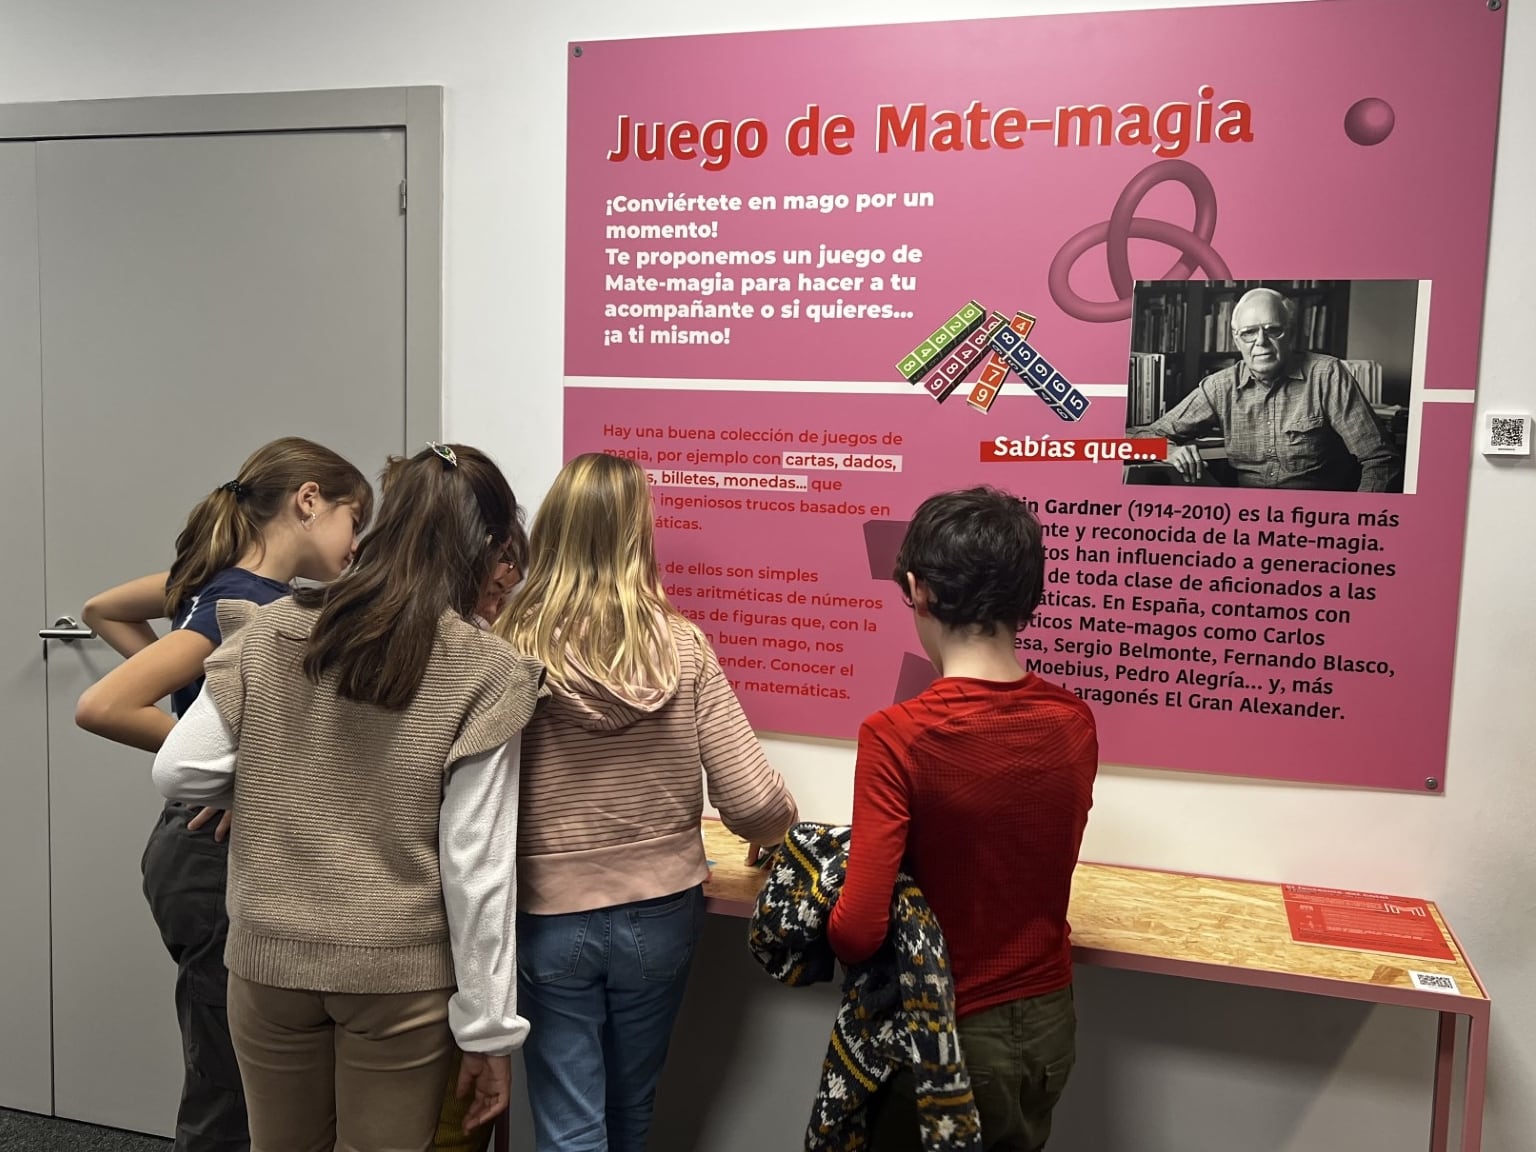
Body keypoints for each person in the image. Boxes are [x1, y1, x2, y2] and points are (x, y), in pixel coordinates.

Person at [152, 443, 544, 1152]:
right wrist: (489, 1033)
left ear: (386, 524)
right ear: (485, 547)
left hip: (268, 959)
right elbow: (476, 864)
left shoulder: (272, 628)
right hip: (395, 975)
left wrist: (272, 779)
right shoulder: (486, 669)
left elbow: (180, 770)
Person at [76, 436, 372, 1152]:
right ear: (308, 501)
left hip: (197, 850)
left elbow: (101, 609)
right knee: (231, 1087)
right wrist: (239, 768)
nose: (357, 543)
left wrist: (189, 695)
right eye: (353, 520)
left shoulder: (215, 584)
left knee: (241, 1072)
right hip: (208, 850)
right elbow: (103, 706)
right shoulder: (244, 604)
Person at [498, 451, 798, 1152]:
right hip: (662, 910)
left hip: (548, 909)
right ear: (639, 535)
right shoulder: (682, 648)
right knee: (632, 1107)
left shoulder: (509, 646)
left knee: (571, 1122)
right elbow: (753, 800)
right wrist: (773, 830)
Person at [827, 486, 1099, 1152]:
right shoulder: (1074, 722)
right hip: (1047, 1029)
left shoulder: (898, 735)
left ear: (919, 590)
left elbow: (859, 933)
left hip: (944, 1039)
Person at [1134, 286, 1400, 491]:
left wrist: (1358, 524)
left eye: (1273, 330)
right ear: (1236, 339)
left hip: (1319, 524)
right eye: (1249, 332)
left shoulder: (1327, 375)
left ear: (1291, 333)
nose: (1261, 342)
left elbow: (1380, 460)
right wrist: (1167, 450)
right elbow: (1138, 438)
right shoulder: (1219, 387)